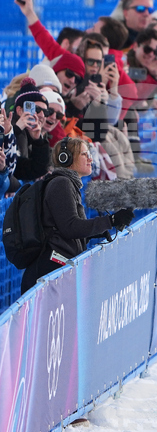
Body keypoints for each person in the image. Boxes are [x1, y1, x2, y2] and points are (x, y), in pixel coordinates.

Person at [19, 136, 134, 295]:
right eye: (84, 154)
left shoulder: (68, 183)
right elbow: (70, 227)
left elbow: (60, 230)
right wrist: (111, 220)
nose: (90, 158)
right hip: (49, 273)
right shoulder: (61, 184)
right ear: (66, 159)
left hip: (56, 270)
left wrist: (91, 234)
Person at [11, 79, 51, 183]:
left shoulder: (35, 136)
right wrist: (16, 129)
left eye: (46, 112)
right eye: (36, 109)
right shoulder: (5, 127)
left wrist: (38, 141)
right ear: (20, 111)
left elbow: (35, 170)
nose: (42, 115)